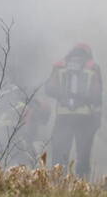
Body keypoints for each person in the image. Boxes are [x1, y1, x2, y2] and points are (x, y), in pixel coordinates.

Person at [44, 43, 102, 178]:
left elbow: (49, 89)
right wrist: (97, 120)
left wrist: (62, 96)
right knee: (83, 154)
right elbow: (97, 95)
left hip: (63, 117)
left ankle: (57, 182)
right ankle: (82, 183)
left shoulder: (59, 66)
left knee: (59, 152)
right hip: (85, 118)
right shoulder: (93, 67)